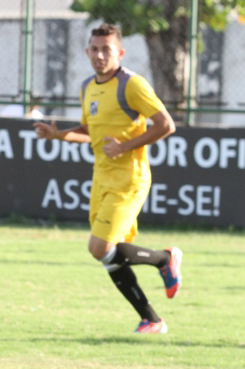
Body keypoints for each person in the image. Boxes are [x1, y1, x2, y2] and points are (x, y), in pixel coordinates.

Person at [33, 23, 182, 334]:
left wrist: (126, 145)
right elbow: (88, 132)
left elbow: (166, 124)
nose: (100, 55)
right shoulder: (88, 87)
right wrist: (58, 134)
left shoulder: (132, 85)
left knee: (99, 247)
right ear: (87, 51)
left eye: (106, 50)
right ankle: (151, 319)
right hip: (101, 178)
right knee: (111, 255)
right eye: (95, 49)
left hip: (130, 178)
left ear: (120, 52)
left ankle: (164, 259)